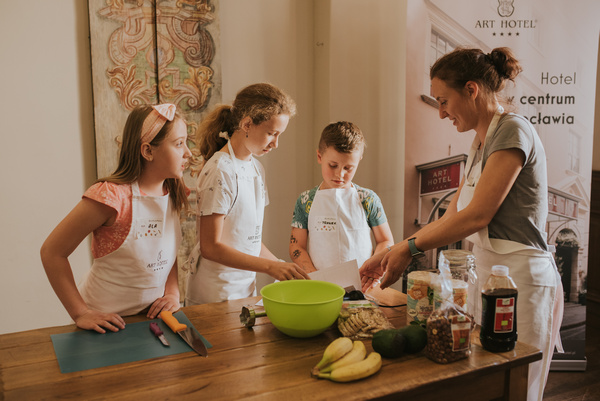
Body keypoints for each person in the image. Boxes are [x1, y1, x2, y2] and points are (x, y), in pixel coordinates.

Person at [359, 47, 563, 401]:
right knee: (487, 382)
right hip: (487, 275)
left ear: (471, 89)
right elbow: (452, 215)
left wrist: (407, 249)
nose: (441, 113)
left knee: (519, 386)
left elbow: (477, 215)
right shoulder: (480, 143)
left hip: (522, 280)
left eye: (443, 100)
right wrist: (393, 250)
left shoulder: (512, 130)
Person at [41, 104, 191, 333]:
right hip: (105, 323)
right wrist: (81, 313)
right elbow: (52, 252)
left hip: (148, 319)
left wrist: (172, 292)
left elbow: (165, 251)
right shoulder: (110, 197)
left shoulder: (173, 190)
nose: (188, 153)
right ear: (148, 151)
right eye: (179, 144)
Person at [185, 83, 309, 305]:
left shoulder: (255, 168)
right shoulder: (220, 171)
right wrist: (272, 267)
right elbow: (210, 247)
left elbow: (247, 241)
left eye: (279, 135)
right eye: (272, 133)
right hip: (215, 293)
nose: (276, 144)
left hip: (245, 289)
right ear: (247, 124)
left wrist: (284, 268)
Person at [289, 121, 394, 273]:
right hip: (320, 285)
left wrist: (372, 266)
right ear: (319, 156)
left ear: (359, 160)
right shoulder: (305, 201)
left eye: (348, 168)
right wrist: (313, 275)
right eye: (333, 165)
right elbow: (296, 246)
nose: (340, 174)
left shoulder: (368, 199)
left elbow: (385, 240)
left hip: (361, 282)